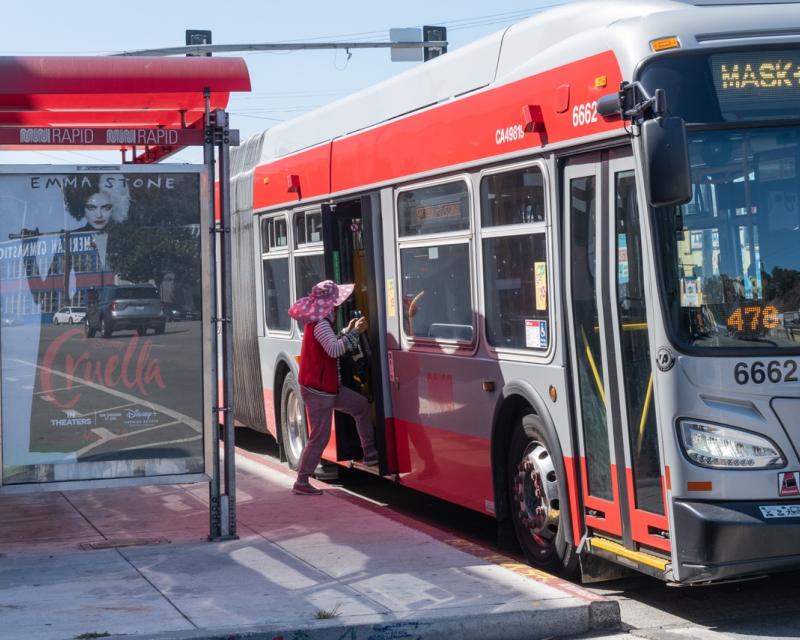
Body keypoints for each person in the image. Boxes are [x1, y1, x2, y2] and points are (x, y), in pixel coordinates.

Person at [288, 279, 378, 495]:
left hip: (327, 387)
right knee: (319, 436)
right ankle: (301, 482)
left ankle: (371, 454)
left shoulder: (320, 323)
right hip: (320, 390)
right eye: (336, 303)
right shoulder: (320, 324)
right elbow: (335, 350)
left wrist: (346, 331)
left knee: (361, 406)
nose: (338, 307)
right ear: (330, 305)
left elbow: (331, 343)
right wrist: (354, 333)